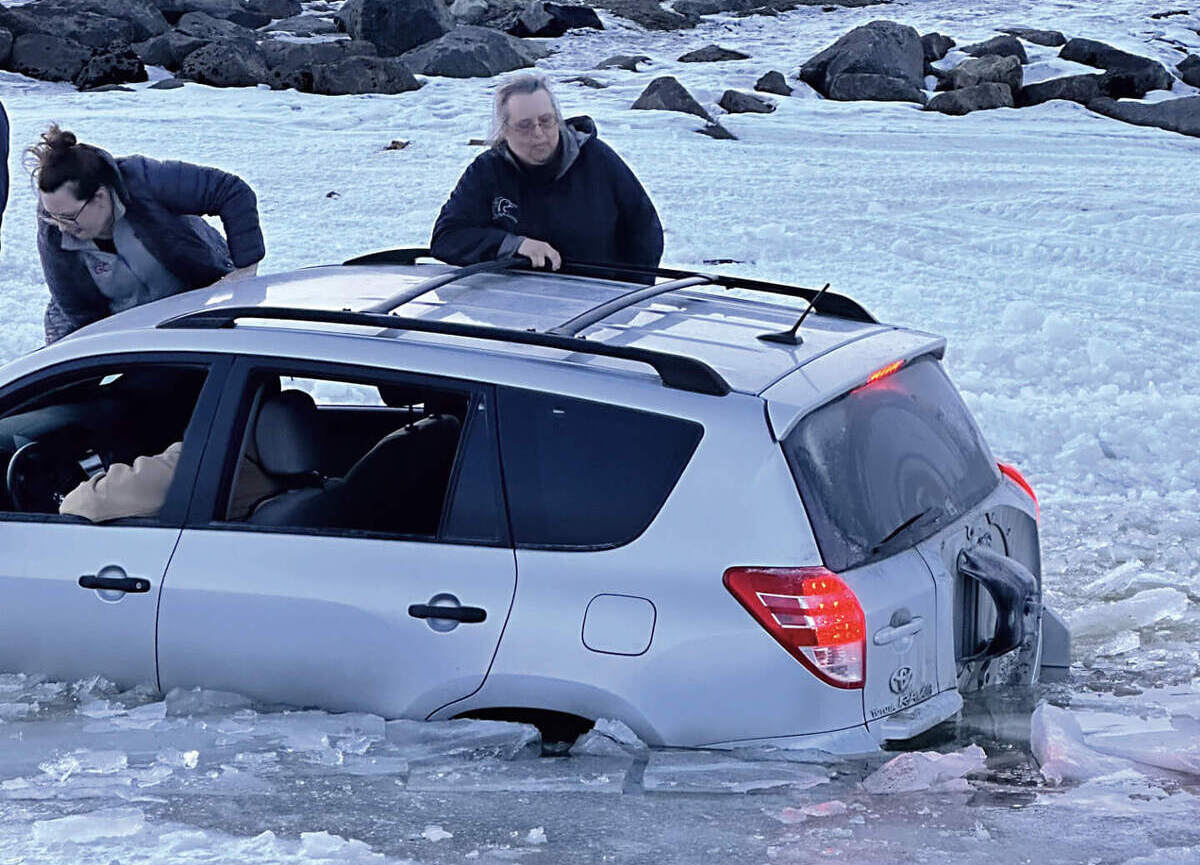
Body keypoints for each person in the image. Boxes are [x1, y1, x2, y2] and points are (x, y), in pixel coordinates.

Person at [28, 125, 265, 343]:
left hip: (198, 303)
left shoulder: (143, 180)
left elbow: (231, 191)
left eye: (68, 217)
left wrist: (244, 271)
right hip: (133, 333)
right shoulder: (53, 232)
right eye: (52, 216)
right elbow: (80, 313)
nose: (60, 227)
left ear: (99, 197)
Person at [431, 72, 664, 275]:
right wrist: (513, 245)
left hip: (597, 303)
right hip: (510, 305)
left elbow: (644, 230)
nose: (539, 133)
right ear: (504, 131)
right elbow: (447, 237)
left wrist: (629, 299)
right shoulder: (486, 171)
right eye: (525, 125)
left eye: (546, 121)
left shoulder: (597, 159)